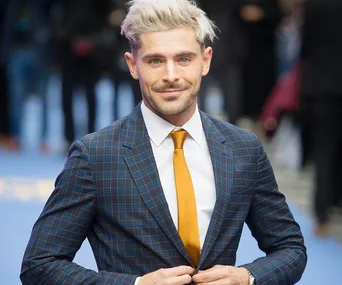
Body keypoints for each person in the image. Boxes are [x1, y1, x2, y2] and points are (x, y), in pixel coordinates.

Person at [21, 0, 307, 284]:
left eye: (184, 59)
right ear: (133, 65)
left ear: (205, 60)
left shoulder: (243, 149)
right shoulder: (95, 156)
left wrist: (248, 277)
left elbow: (290, 248)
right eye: (156, 60)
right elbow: (40, 264)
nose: (171, 76)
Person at [299, 0, 342, 236]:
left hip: (321, 87)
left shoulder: (315, 5)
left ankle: (322, 212)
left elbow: (305, 47)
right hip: (325, 85)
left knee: (324, 152)